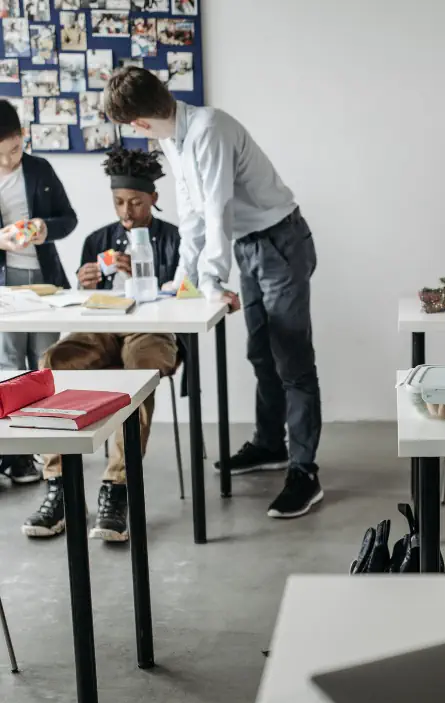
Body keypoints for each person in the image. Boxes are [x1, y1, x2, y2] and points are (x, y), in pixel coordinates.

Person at [104, 67, 324, 519]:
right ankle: (270, 445)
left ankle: (305, 472)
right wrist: (184, 280)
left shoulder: (209, 129)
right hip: (249, 245)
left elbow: (217, 208)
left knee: (292, 360)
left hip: (279, 241)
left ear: (139, 123)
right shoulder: (173, 137)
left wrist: (210, 280)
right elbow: (192, 215)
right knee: (261, 353)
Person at [22, 148, 180, 542]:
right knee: (54, 361)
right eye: (119, 202)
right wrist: (85, 281)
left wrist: (149, 275)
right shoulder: (97, 239)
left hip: (152, 328)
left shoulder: (174, 238)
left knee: (139, 376)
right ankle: (58, 483)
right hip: (101, 325)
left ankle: (118, 488)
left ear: (153, 200)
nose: (126, 211)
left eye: (136, 203)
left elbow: (185, 294)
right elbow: (80, 304)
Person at [0, 99, 77, 486]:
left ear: (22, 137)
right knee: (9, 366)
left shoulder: (40, 169)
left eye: (14, 150)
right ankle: (16, 456)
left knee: (45, 362)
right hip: (5, 285)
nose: (10, 161)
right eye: (1, 156)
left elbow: (69, 219)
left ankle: (52, 455)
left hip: (45, 283)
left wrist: (45, 228)